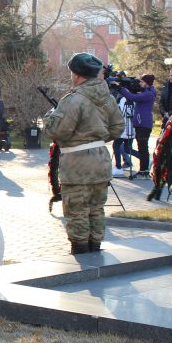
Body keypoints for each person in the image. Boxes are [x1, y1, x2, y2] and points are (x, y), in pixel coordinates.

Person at [43, 53, 124, 254]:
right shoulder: (107, 99)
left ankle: (80, 252)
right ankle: (95, 249)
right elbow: (118, 126)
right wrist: (95, 140)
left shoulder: (74, 99)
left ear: (77, 75)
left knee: (77, 209)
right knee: (96, 208)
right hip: (100, 160)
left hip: (78, 164)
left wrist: (49, 118)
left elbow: (57, 131)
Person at [119, 74, 156, 176]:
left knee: (143, 148)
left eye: (142, 82)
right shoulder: (146, 92)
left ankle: (144, 170)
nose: (140, 84)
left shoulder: (148, 94)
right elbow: (134, 93)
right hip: (141, 123)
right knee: (142, 148)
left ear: (147, 83)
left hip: (143, 124)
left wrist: (120, 88)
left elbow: (132, 97)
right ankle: (143, 169)